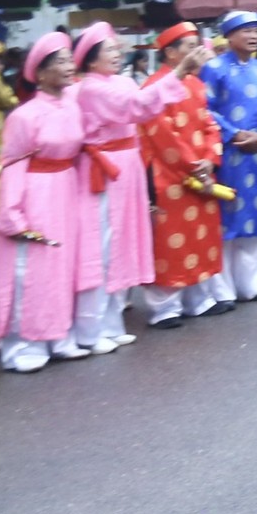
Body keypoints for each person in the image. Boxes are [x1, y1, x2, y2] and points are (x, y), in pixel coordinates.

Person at [71, 21, 196, 353]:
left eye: (116, 47)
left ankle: (110, 325)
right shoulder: (91, 88)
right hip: (105, 170)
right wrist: (179, 71)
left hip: (126, 169)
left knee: (122, 245)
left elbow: (144, 107)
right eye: (110, 49)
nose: (118, 52)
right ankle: (92, 329)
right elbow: (137, 107)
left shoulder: (120, 81)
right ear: (91, 58)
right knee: (103, 249)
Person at [0, 33, 94, 371]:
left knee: (63, 266)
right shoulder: (24, 115)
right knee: (32, 267)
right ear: (41, 72)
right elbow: (12, 165)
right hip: (35, 193)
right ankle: (23, 346)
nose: (69, 67)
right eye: (61, 62)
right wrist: (12, 215)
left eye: (69, 60)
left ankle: (58, 336)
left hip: (66, 189)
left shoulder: (73, 106)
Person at [139, 22, 230, 327]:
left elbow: (209, 125)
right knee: (169, 239)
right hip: (167, 174)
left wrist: (209, 159)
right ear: (170, 52)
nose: (196, 52)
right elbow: (161, 135)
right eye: (189, 46)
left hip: (197, 172)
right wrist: (194, 164)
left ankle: (198, 299)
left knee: (199, 235)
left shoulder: (196, 84)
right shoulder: (154, 87)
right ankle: (164, 307)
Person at [201, 10, 257, 303]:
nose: (253, 37)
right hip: (230, 154)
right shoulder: (214, 68)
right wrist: (234, 133)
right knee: (227, 221)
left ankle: (253, 285)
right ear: (229, 36)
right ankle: (223, 291)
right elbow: (206, 108)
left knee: (255, 220)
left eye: (256, 31)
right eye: (246, 31)